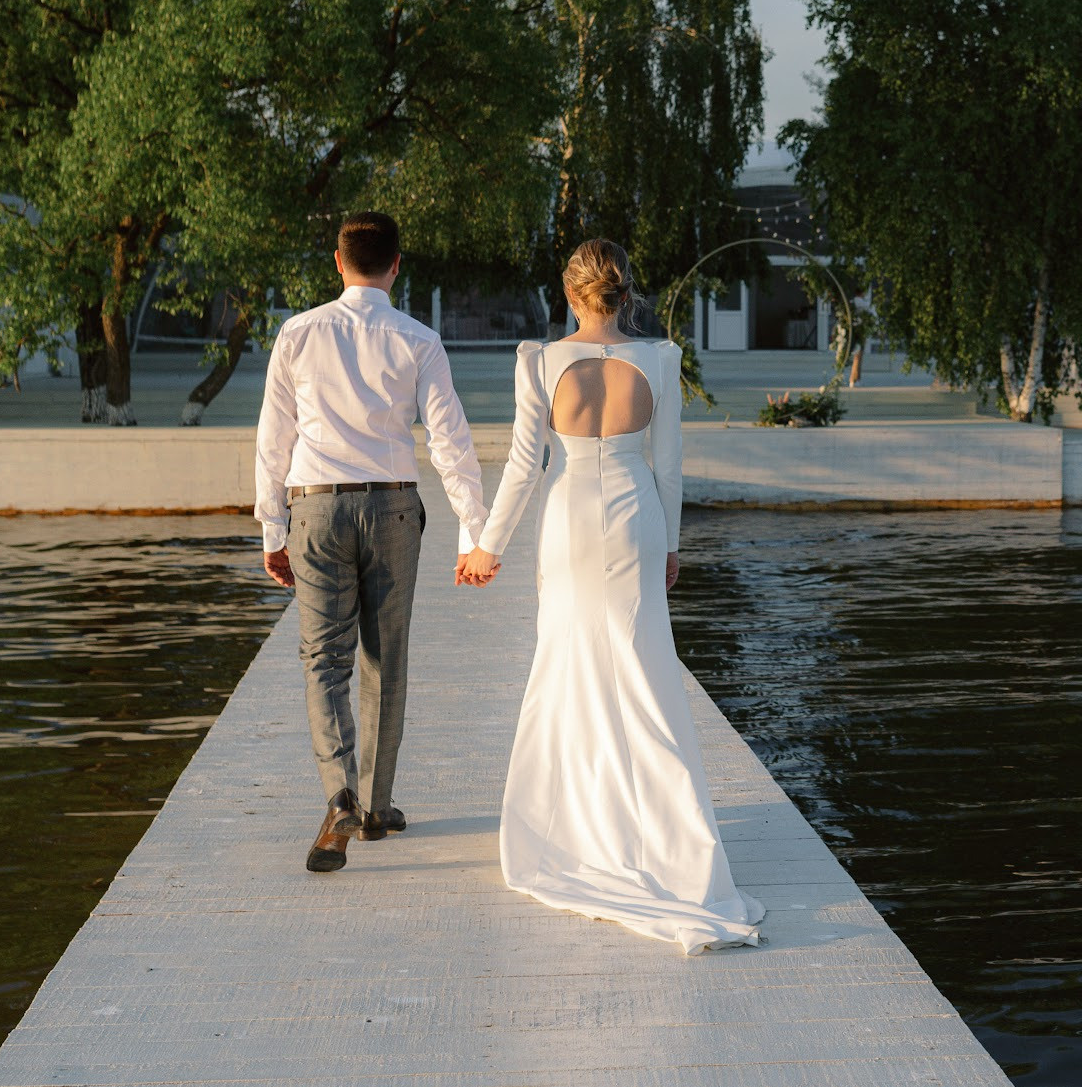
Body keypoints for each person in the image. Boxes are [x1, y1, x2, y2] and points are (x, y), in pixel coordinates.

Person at [458, 240, 763, 953]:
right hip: (636, 519)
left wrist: (487, 547)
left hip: (567, 519)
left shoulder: (537, 359)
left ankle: (566, 827)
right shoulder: (660, 359)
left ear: (570, 294)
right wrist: (673, 545)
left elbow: (524, 467)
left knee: (566, 666)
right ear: (625, 294)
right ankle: (669, 840)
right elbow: (670, 464)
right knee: (644, 671)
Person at [256, 211, 490, 874]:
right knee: (385, 658)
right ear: (395, 265)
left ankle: (340, 797)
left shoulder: (297, 333)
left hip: (317, 509)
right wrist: (475, 530)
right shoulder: (418, 338)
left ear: (338, 262)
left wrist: (273, 527)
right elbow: (451, 443)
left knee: (323, 660)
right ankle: (378, 807)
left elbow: (273, 438)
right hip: (392, 508)